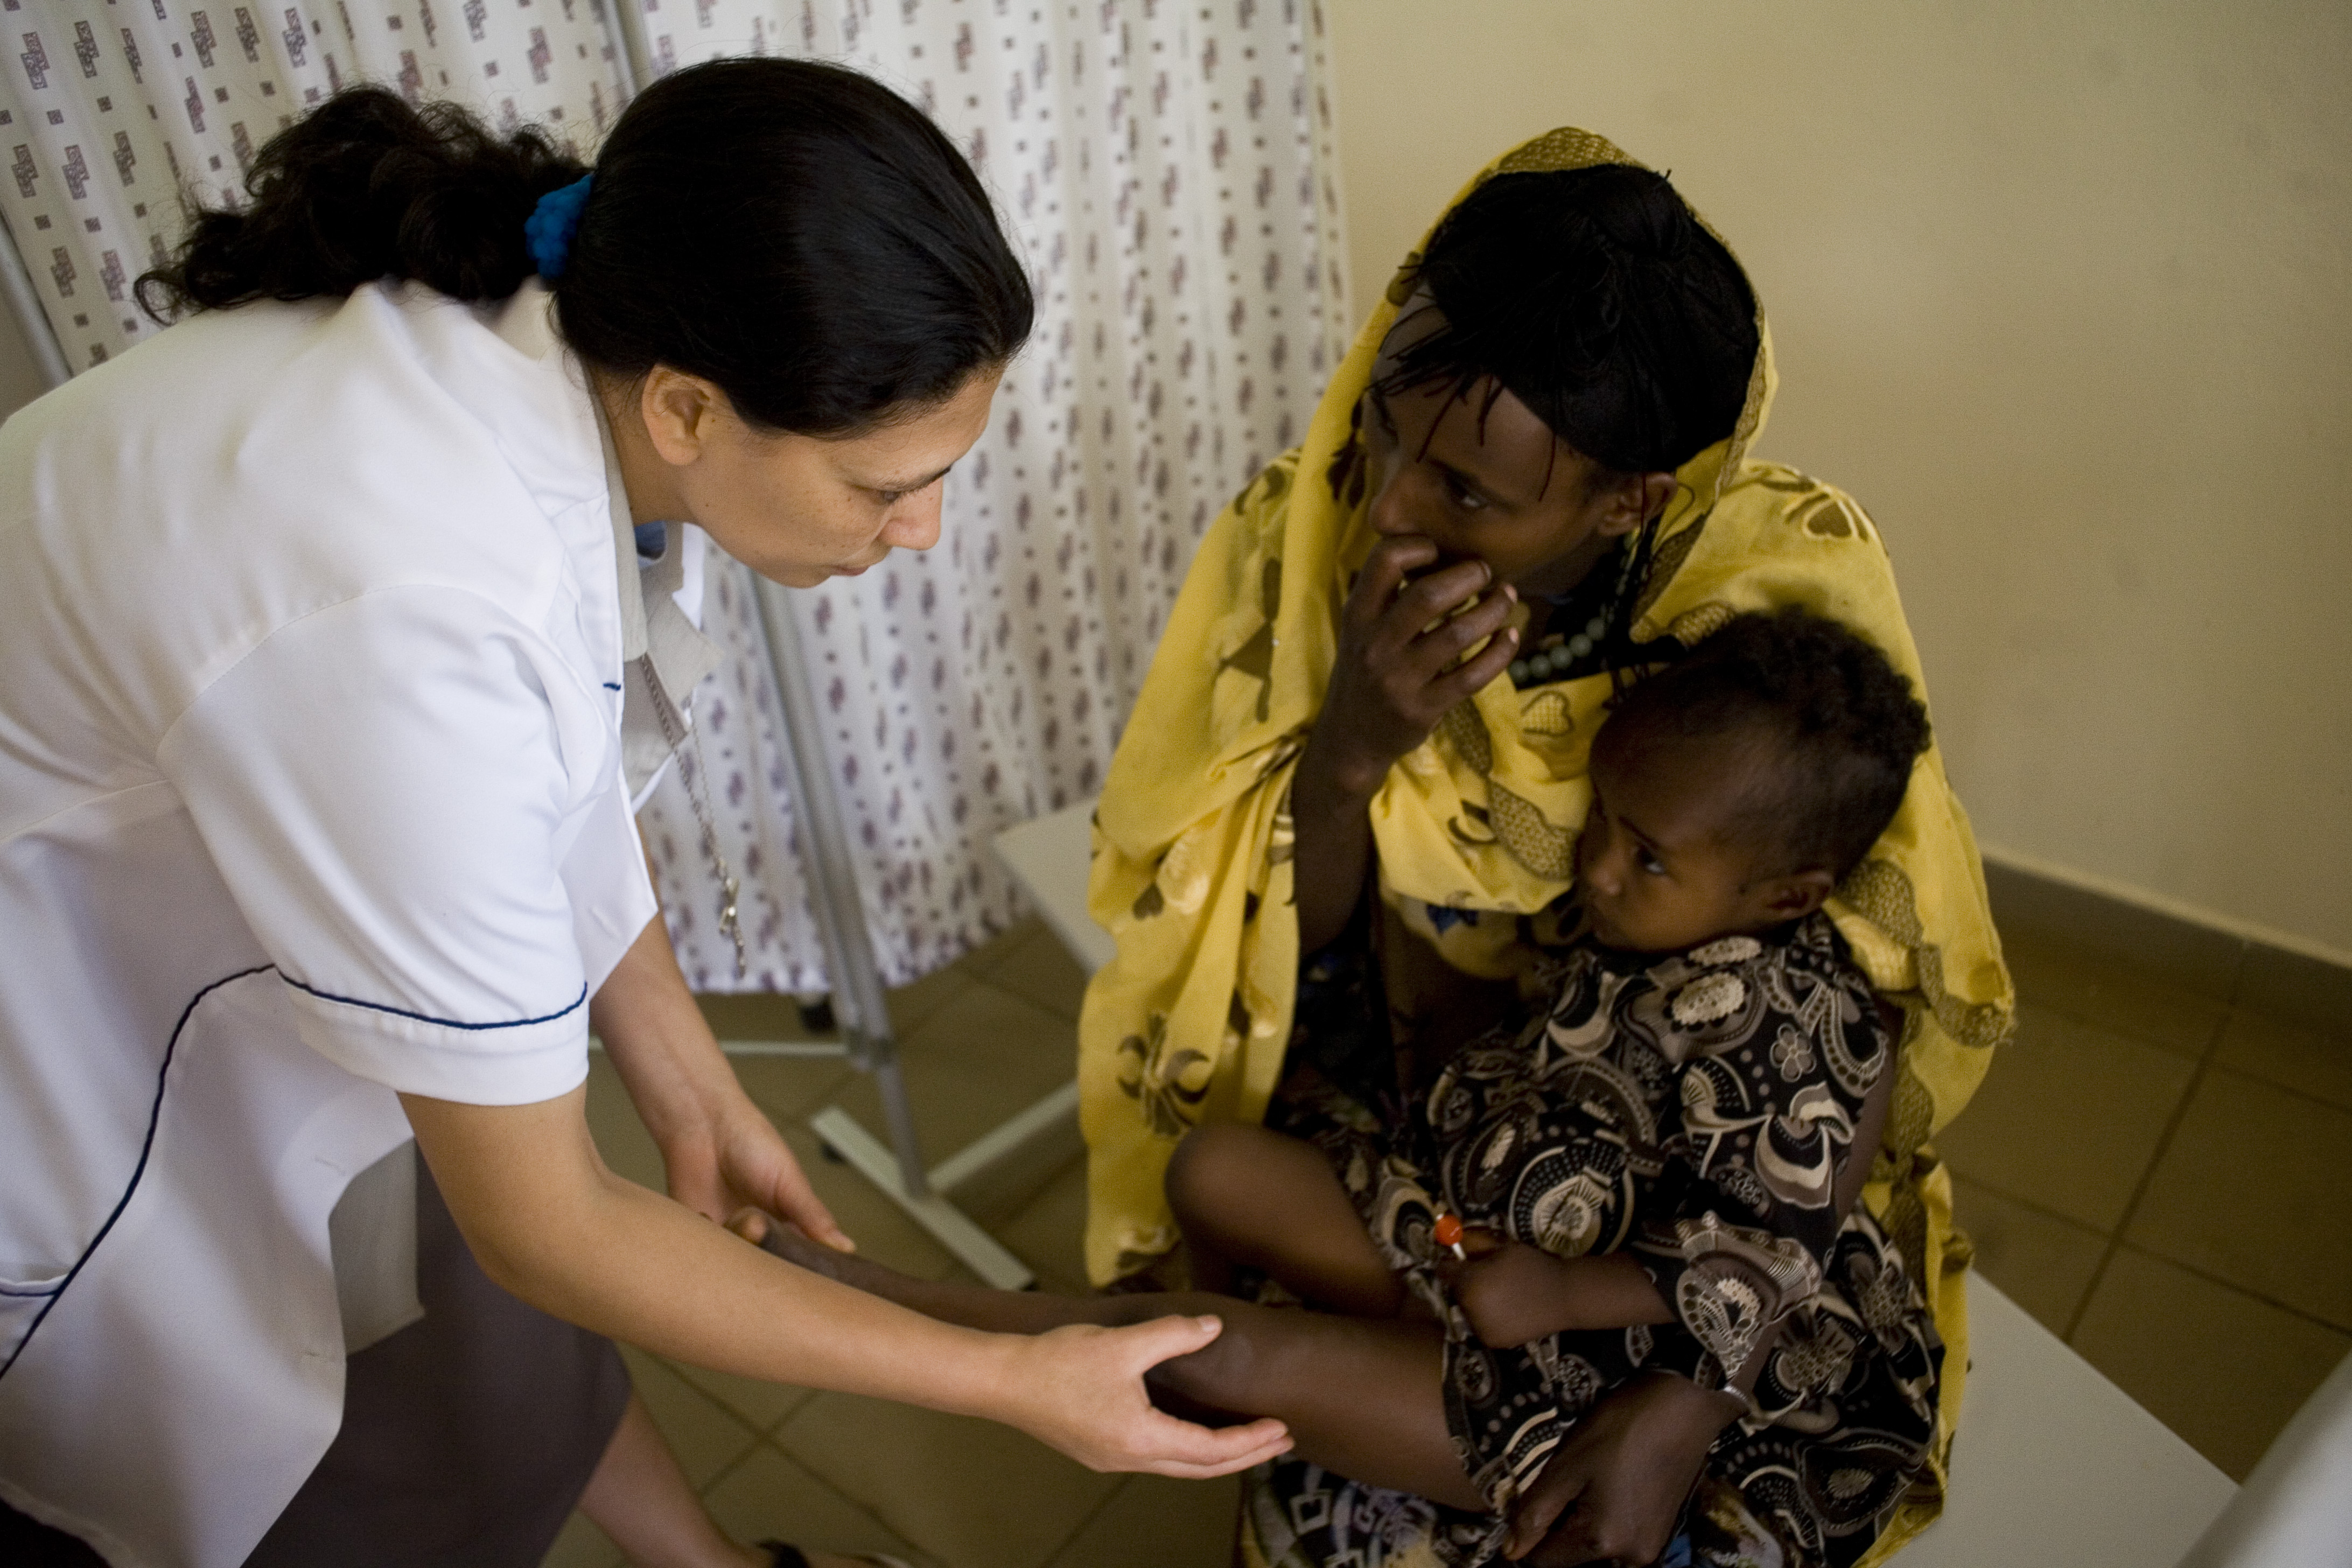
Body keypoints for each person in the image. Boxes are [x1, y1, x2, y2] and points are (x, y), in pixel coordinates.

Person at [0, 62, 1286, 1568]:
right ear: (686, 407)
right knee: (341, 1453)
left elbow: (548, 790)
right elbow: (547, 1227)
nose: (923, 530)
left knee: (481, 1307)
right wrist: (1013, 1383)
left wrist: (683, 1073)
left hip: (227, 926)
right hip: (68, 1075)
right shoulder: (410, 606)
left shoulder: (549, 358)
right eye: (886, 485)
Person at [1074, 128, 2015, 1564]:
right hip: (1446, 1124)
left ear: (1629, 500)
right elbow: (1275, 946)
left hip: (1685, 1211)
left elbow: (1846, 1036)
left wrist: (1688, 1400)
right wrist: (1351, 751)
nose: (1389, 503)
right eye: (1389, 428)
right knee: (1232, 1234)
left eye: (1467, 492)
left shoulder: (1779, 605)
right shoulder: (1301, 538)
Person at [734, 606, 1946, 1567]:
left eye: (1647, 855)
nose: (1600, 867)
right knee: (1212, 1168)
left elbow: (1764, 1248)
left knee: (1217, 1354)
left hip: (1596, 1371)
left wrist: (1561, 1292)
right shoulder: (1663, 920)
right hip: (1478, 1250)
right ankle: (1204, 1390)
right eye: (1607, 822)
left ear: (1789, 895)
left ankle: (884, 1306)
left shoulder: (1798, 1021)